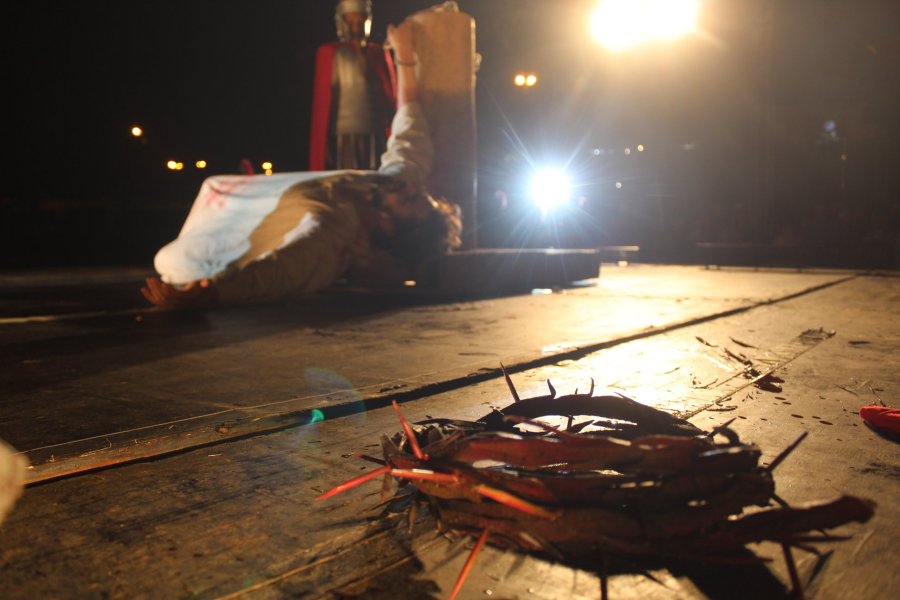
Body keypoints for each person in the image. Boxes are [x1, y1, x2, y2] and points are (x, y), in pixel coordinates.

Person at [142, 21, 460, 308]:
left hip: (198, 255)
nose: (411, 186)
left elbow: (279, 273)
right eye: (419, 191)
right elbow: (411, 130)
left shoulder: (333, 237)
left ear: (388, 225)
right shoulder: (383, 185)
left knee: (172, 260)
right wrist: (404, 56)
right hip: (220, 202)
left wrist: (207, 295)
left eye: (410, 199)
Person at [309, 0, 396, 171]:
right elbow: (323, 104)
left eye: (360, 20)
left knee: (376, 177)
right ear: (342, 22)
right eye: (351, 20)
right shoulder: (329, 52)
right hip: (343, 135)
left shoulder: (377, 54)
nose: (356, 25)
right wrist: (325, 144)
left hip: (375, 133)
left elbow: (390, 96)